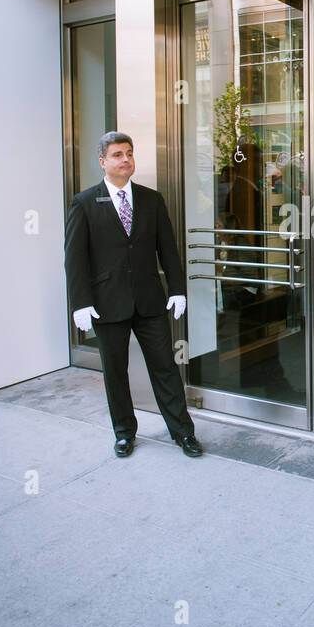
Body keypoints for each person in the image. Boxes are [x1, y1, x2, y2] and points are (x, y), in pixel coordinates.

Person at [65, 130, 202, 459]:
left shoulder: (151, 199)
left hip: (150, 301)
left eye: (129, 153)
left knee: (165, 368)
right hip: (106, 304)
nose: (126, 159)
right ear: (103, 162)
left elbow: (167, 249)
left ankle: (183, 433)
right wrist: (80, 303)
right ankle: (124, 432)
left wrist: (178, 290)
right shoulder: (84, 203)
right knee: (115, 371)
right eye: (117, 155)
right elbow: (75, 258)